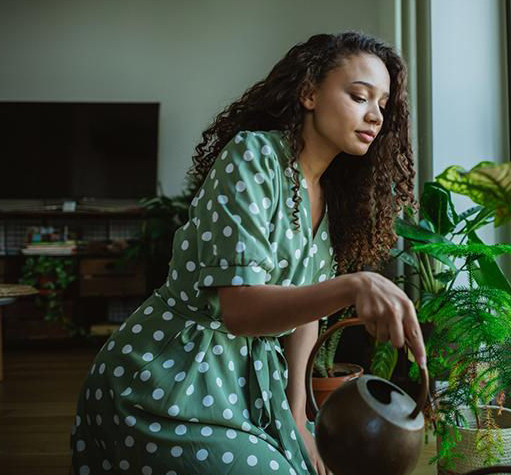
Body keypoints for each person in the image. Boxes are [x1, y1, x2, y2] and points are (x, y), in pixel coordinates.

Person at [70, 31, 427, 475]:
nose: (374, 115)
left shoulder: (333, 197)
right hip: (169, 381)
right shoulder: (253, 157)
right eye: (359, 96)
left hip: (256, 386)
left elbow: (304, 320)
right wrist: (356, 285)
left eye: (383, 104)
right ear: (310, 93)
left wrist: (298, 418)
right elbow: (239, 309)